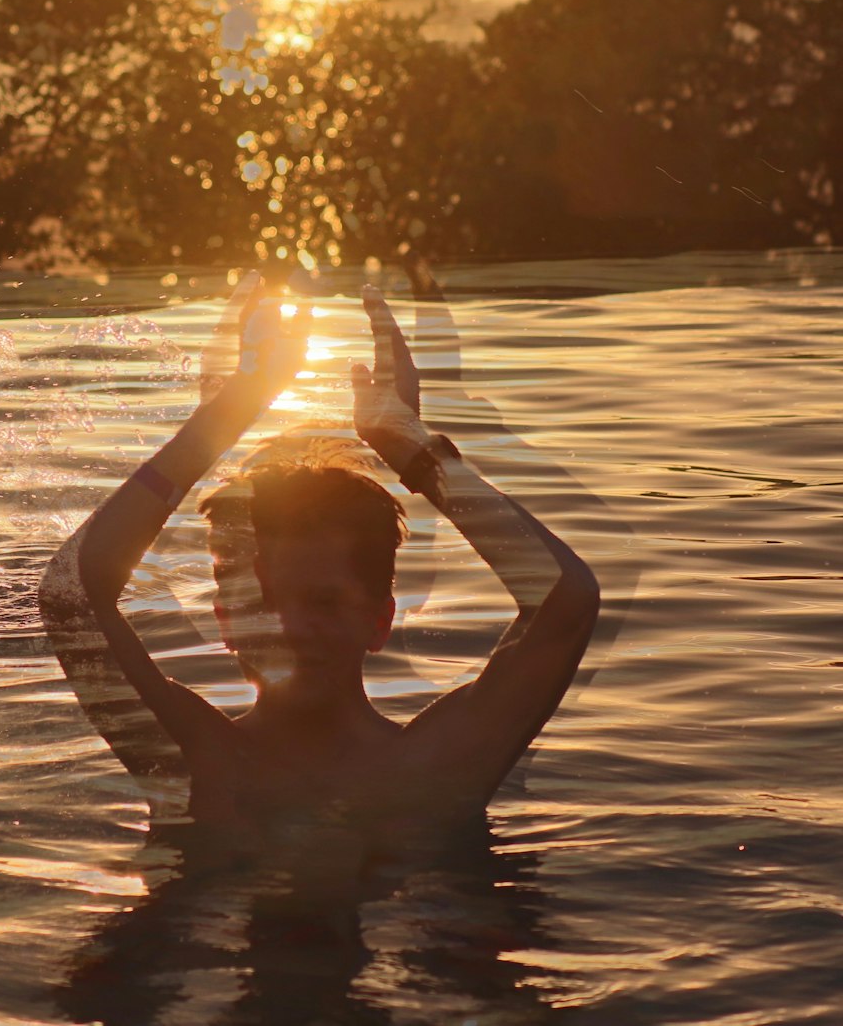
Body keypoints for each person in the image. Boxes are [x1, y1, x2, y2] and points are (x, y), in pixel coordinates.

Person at [38, 277, 599, 859]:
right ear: (225, 619)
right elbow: (70, 592)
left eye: (324, 603)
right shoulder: (197, 760)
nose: (290, 628)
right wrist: (227, 413)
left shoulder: (436, 765)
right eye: (264, 603)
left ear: (380, 621)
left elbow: (567, 601)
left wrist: (407, 444)